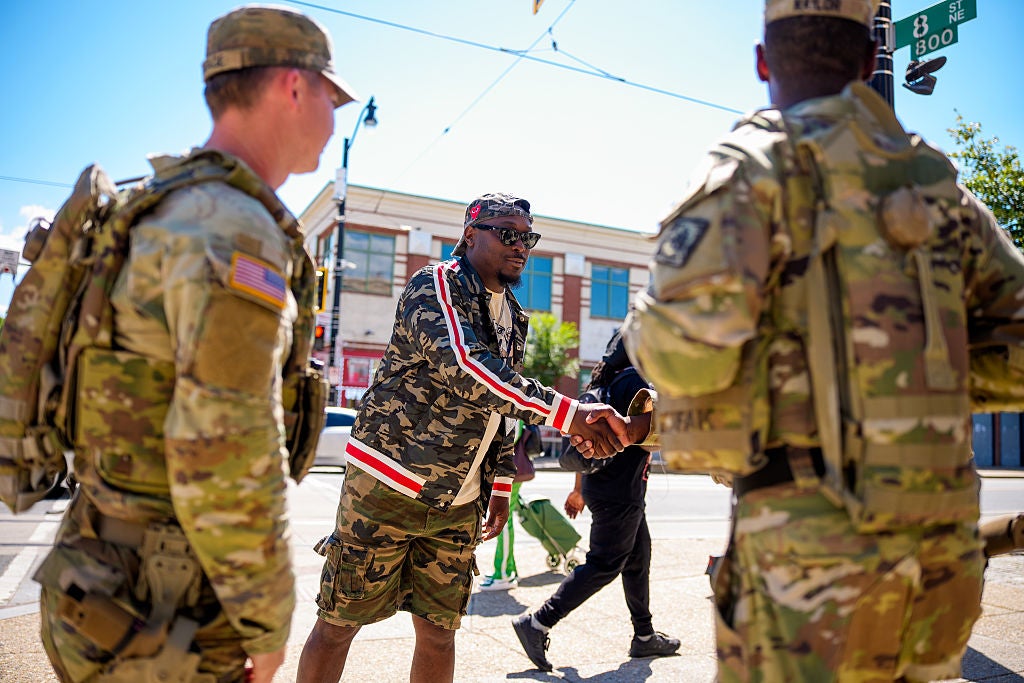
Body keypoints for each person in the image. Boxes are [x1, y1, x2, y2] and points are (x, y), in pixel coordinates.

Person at [622, 1, 1024, 682]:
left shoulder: (755, 167)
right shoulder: (936, 187)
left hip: (805, 568)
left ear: (761, 63)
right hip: (938, 559)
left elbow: (683, 347)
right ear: (870, 62)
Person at [31, 6, 357, 682]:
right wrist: (266, 621)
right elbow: (225, 444)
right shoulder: (233, 228)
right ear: (293, 87)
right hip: (165, 615)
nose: (336, 114)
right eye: (333, 94)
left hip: (96, 579)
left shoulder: (153, 203)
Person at [296, 192, 633, 683]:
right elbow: (466, 366)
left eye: (528, 237)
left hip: (460, 500)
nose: (521, 246)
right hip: (389, 484)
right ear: (470, 234)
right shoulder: (433, 285)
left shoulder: (514, 316)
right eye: (509, 234)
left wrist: (498, 486)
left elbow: (501, 410)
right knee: (340, 623)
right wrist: (570, 413)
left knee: (439, 631)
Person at [512, 329, 678, 672]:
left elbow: (584, 446)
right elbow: (644, 437)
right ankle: (538, 622)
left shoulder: (606, 383)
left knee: (638, 557)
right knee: (604, 563)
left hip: (606, 488)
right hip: (620, 491)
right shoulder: (635, 382)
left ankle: (644, 636)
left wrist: (579, 489)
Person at [479, 420, 536, 591]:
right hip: (510, 473)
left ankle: (503, 574)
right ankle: (508, 570)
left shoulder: (513, 410)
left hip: (508, 474)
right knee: (504, 521)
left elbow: (509, 438)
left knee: (502, 522)